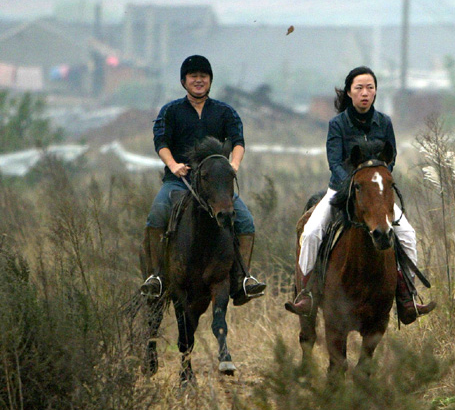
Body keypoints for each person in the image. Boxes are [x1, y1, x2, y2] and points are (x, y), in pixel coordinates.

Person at [286, 65, 435, 323]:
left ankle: (406, 296)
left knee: (408, 235)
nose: (365, 93)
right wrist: (352, 188)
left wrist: (377, 182)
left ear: (375, 92)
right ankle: (307, 292)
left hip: (376, 193)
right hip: (341, 190)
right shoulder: (337, 124)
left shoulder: (384, 122)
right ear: (349, 92)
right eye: (359, 88)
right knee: (311, 232)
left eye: (370, 87)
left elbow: (391, 158)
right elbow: (334, 162)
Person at [139, 54, 266, 305]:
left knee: (246, 221)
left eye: (203, 77)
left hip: (215, 186)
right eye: (193, 77)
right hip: (179, 182)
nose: (199, 81)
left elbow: (238, 142)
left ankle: (243, 279)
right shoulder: (171, 111)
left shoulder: (225, 112)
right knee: (156, 216)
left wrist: (233, 165)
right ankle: (156, 277)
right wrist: (173, 165)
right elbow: (161, 143)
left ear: (210, 80)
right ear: (184, 81)